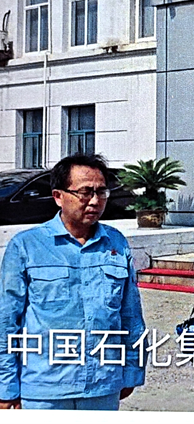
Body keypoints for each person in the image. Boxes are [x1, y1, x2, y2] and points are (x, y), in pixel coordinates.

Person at [0, 153, 146, 410]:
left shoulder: (116, 243)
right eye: (85, 192)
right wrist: (6, 386)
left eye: (101, 192)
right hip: (44, 390)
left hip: (103, 386)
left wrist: (132, 370)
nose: (95, 201)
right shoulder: (27, 246)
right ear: (58, 196)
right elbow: (6, 321)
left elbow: (131, 315)